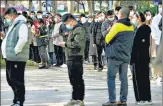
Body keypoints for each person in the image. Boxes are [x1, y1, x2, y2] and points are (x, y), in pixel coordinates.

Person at [103, 7, 135, 106]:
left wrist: (109, 30)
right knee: (124, 78)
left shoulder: (117, 26)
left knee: (111, 77)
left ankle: (112, 100)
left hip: (114, 56)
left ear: (120, 15)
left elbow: (107, 39)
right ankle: (123, 100)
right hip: (126, 56)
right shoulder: (132, 26)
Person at [1, 8, 29, 106]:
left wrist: (15, 51)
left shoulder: (21, 25)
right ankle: (16, 99)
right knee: (11, 79)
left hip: (16, 57)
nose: (6, 19)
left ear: (12, 15)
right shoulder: (13, 25)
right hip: (9, 57)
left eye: (7, 17)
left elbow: (23, 39)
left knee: (17, 80)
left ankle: (19, 101)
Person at [59, 13, 85, 106]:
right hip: (70, 57)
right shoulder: (73, 29)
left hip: (76, 56)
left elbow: (78, 44)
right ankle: (74, 98)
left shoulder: (79, 29)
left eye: (66, 22)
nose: (66, 25)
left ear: (71, 20)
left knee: (78, 79)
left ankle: (80, 99)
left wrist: (65, 44)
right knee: (72, 79)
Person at [130, 11, 152, 105]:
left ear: (138, 18)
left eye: (134, 17)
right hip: (142, 57)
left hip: (139, 58)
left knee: (140, 79)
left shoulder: (143, 29)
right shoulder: (140, 28)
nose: (132, 20)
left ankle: (142, 99)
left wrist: (132, 58)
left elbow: (140, 45)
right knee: (143, 78)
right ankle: (146, 98)